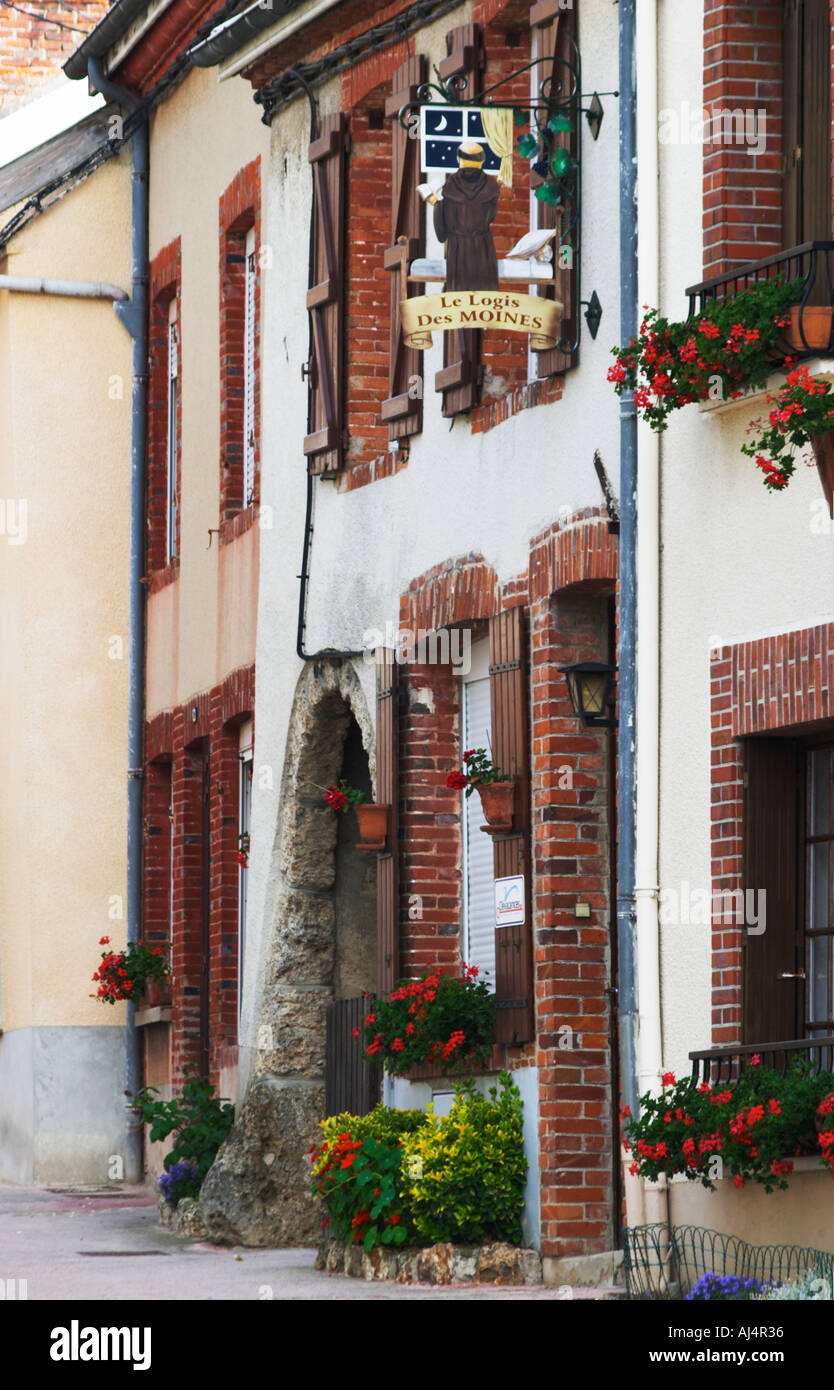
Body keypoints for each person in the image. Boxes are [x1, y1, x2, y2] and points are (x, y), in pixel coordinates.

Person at [433, 139, 500, 292]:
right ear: (481, 161)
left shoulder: (449, 186)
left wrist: (436, 204)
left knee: (457, 303)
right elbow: (492, 216)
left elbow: (441, 234)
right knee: (485, 301)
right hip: (483, 249)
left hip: (457, 250)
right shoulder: (491, 185)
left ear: (459, 160)